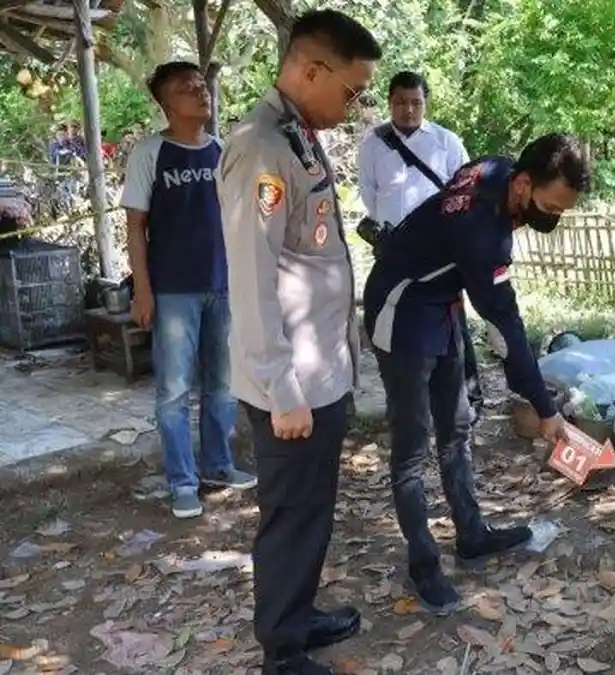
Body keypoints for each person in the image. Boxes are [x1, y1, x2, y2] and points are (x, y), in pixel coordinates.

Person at [216, 10, 380, 675]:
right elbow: (253, 281)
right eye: (351, 89)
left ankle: (299, 611)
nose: (357, 102)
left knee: (313, 506)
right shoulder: (260, 147)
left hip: (321, 371)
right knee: (289, 512)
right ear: (311, 71)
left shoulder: (299, 136)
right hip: (290, 384)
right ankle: (281, 649)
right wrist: (281, 387)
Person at [362, 132, 588, 615]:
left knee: (457, 426)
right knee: (411, 446)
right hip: (400, 309)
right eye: (551, 206)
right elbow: (506, 327)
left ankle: (471, 535)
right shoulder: (482, 233)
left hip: (441, 306)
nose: (554, 217)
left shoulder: (495, 168)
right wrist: (546, 410)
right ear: (525, 185)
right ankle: (424, 564)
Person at [119, 61, 256, 520]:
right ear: (166, 105)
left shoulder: (220, 151)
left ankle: (218, 464)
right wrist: (143, 290)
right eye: (187, 88)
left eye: (201, 84)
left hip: (223, 286)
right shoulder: (150, 153)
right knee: (174, 392)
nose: (201, 92)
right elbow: (135, 225)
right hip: (174, 290)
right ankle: (182, 481)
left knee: (222, 385)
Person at [356, 71, 485, 413]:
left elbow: (466, 193)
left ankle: (467, 398)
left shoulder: (446, 142)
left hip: (441, 252)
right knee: (397, 321)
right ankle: (412, 403)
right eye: (400, 103)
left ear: (425, 103)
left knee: (451, 321)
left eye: (416, 103)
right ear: (390, 103)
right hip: (394, 250)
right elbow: (370, 195)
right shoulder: (372, 145)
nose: (408, 110)